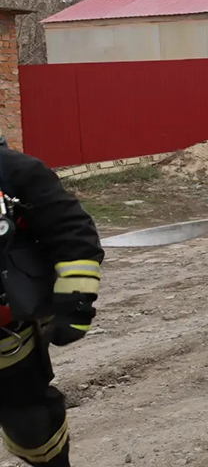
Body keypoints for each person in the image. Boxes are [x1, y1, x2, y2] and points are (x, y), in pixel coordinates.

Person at [0, 146, 104, 466]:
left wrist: (75, 304)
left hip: (7, 344)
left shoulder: (14, 171)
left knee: (32, 428)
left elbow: (71, 232)